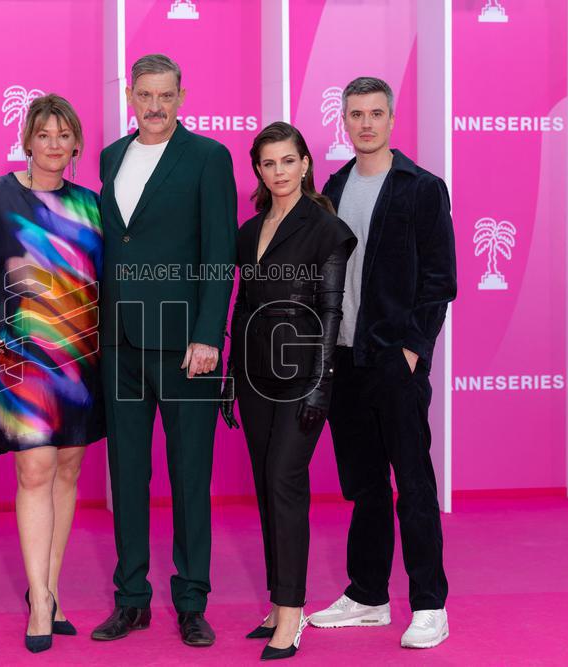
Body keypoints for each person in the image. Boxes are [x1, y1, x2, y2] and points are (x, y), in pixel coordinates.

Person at [91, 53, 237, 647]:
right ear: (130, 94)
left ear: (182, 95)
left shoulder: (208, 158)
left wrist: (208, 334)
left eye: (166, 96)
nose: (154, 107)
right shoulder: (109, 156)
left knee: (188, 476)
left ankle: (191, 599)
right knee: (126, 476)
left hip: (185, 344)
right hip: (120, 342)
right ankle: (131, 599)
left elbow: (220, 252)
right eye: (144, 95)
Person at [306, 77, 456, 649]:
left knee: (412, 483)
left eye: (375, 113)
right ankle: (368, 595)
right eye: (355, 114)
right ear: (343, 121)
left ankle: (430, 604)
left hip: (396, 361)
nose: (365, 123)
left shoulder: (421, 187)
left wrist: (413, 350)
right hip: (343, 360)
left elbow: (441, 281)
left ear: (391, 119)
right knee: (364, 486)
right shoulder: (335, 186)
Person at [0, 94, 104, 654]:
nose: (53, 144)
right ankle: (41, 603)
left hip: (80, 358)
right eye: (43, 133)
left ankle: (45, 587)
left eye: (63, 134)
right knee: (35, 472)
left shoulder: (93, 206)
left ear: (75, 144)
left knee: (68, 471)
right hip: (20, 356)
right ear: (27, 140)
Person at [220, 122, 355, 660]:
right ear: (259, 170)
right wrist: (231, 371)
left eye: (287, 160)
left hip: (303, 375)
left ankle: (292, 615)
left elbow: (331, 311)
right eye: (268, 163)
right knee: (266, 486)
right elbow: (243, 304)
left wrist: (321, 386)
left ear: (305, 164)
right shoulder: (249, 231)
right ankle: (279, 604)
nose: (279, 171)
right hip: (254, 377)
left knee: (284, 482)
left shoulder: (327, 229)